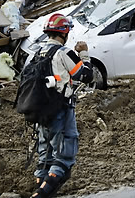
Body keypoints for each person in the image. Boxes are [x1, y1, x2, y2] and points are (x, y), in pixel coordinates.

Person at [31, 13, 93, 198]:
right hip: (61, 109)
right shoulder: (64, 53)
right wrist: (84, 54)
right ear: (64, 32)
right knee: (64, 157)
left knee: (45, 156)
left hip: (40, 110)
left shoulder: (38, 52)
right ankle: (41, 195)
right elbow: (86, 76)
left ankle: (39, 188)